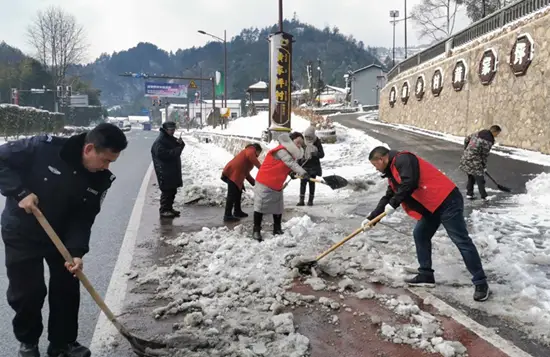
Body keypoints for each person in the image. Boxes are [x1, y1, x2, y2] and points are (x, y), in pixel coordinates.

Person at [0, 123, 128, 357]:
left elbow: (84, 218)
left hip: (61, 235)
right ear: (89, 149)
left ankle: (62, 344)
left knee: (67, 287)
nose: (106, 167)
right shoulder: (42, 148)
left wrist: (76, 252)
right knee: (28, 291)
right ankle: (28, 342)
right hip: (22, 231)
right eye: (105, 160)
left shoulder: (99, 179)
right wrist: (19, 192)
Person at [363, 146, 490, 302]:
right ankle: (426, 275)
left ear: (381, 159)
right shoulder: (392, 172)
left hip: (446, 200)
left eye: (375, 165)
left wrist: (394, 204)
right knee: (420, 234)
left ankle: (481, 282)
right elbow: (389, 195)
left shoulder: (403, 159)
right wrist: (372, 219)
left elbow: (410, 183)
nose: (376, 169)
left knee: (460, 240)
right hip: (431, 206)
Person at [253, 132, 309, 241]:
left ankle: (277, 229)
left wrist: (290, 173)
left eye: (301, 144)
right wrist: (303, 172)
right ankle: (256, 231)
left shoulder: (289, 154)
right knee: (260, 207)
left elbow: (285, 165)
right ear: (290, 141)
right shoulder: (281, 150)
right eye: (297, 143)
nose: (299, 146)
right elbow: (290, 163)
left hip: (276, 184)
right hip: (265, 182)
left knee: (278, 207)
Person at [151, 121, 185, 218]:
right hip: (164, 170)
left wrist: (180, 144)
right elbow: (164, 154)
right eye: (171, 130)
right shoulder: (160, 141)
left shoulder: (169, 138)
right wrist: (177, 149)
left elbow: (177, 148)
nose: (173, 132)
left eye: (174, 129)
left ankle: (169, 208)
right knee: (167, 190)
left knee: (172, 190)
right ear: (166, 130)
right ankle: (164, 210)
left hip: (172, 169)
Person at [221, 143, 262, 222]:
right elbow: (252, 158)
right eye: (259, 153)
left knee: (238, 192)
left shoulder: (248, 157)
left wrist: (255, 183)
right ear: (257, 150)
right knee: (232, 194)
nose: (259, 155)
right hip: (232, 174)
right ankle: (227, 215)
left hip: (236, 175)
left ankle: (237, 211)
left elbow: (246, 173)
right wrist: (261, 168)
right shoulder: (250, 150)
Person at [459, 125, 502, 200]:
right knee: (480, 178)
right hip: (475, 160)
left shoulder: (478, 133)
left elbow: (466, 139)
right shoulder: (488, 141)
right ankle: (484, 196)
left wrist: (466, 150)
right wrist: (484, 166)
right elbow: (484, 155)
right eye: (497, 134)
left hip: (466, 157)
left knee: (471, 176)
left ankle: (469, 194)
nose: (497, 136)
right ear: (494, 132)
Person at [297, 125, 325, 206]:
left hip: (313, 167)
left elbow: (322, 154)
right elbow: (299, 152)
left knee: (311, 183)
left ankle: (310, 200)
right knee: (303, 183)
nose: (308, 139)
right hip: (304, 165)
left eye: (310, 137)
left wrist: (315, 154)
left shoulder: (317, 142)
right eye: (306, 137)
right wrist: (300, 162)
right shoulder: (303, 142)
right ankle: (301, 200)